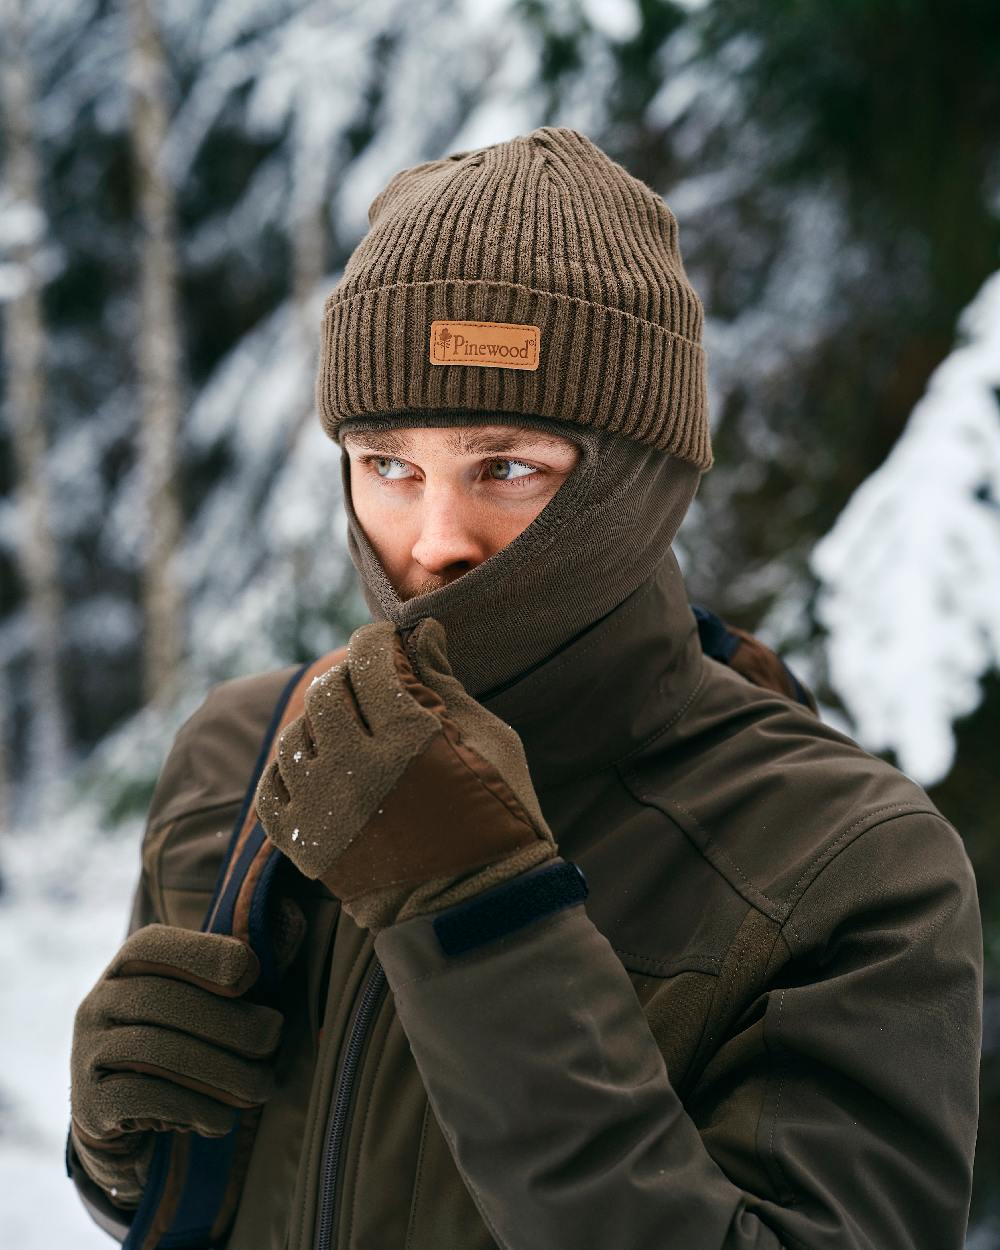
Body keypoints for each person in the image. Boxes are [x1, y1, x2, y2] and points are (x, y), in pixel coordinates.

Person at [67, 126, 982, 1249]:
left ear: (643, 477)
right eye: (388, 465)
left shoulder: (850, 862)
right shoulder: (246, 750)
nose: (435, 540)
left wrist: (483, 914)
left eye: (508, 467)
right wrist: (120, 1151)